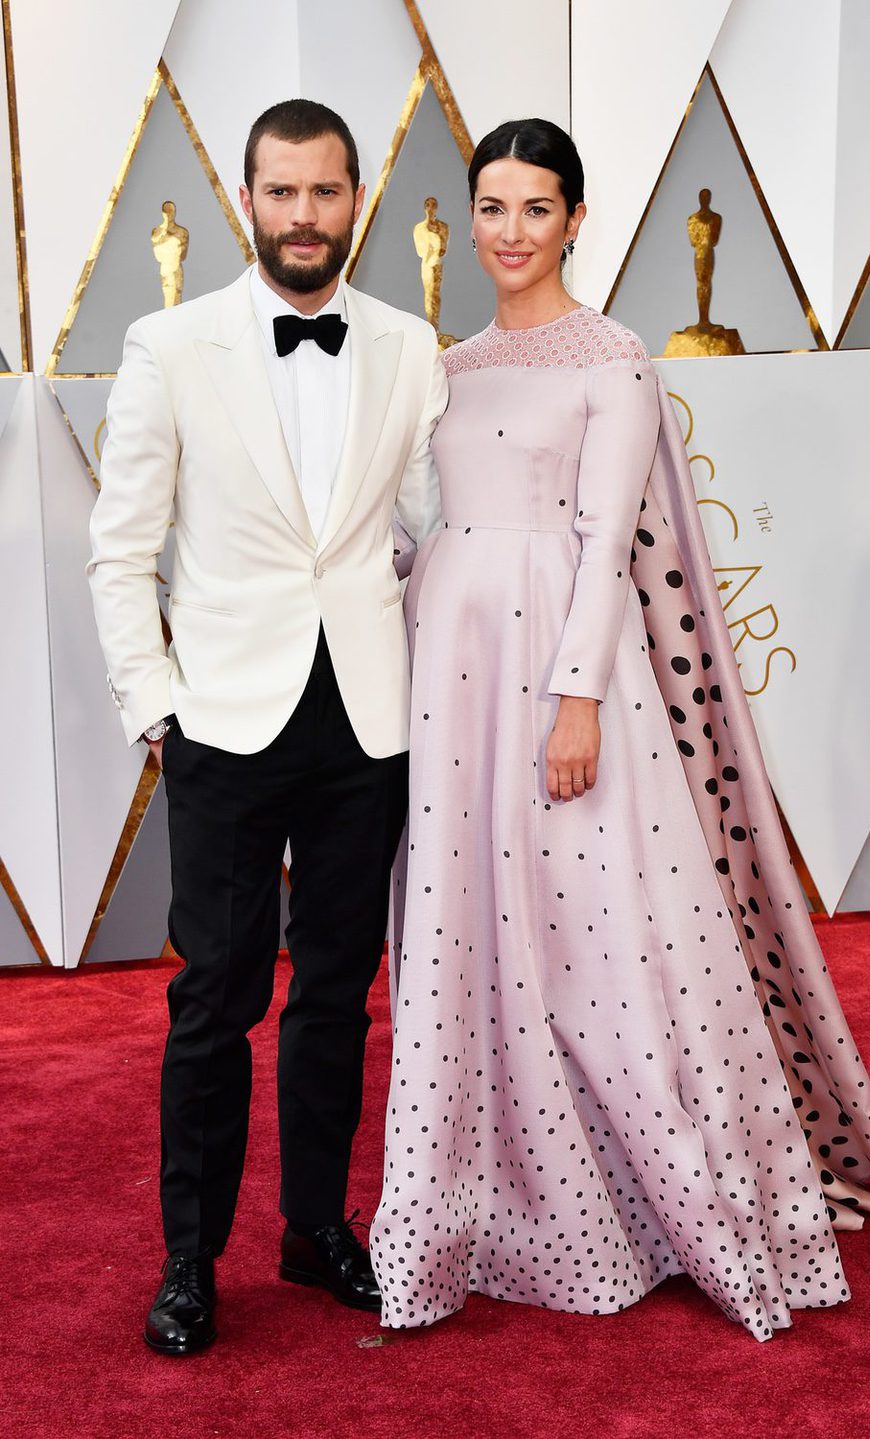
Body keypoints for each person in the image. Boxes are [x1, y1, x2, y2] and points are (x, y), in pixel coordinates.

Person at [369, 118, 870, 1341]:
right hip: (452, 668)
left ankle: (669, 1195)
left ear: (576, 219)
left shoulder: (616, 358)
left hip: (560, 669)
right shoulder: (448, 363)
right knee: (473, 928)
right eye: (491, 206)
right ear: (465, 215)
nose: (511, 231)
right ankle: (494, 1201)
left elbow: (602, 542)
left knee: (600, 939)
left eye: (537, 208)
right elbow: (422, 522)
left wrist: (577, 690)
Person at [88, 99, 446, 1354]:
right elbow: (119, 551)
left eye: (325, 192)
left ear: (360, 199)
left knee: (339, 994)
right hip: (224, 724)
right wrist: (158, 708)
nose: (304, 215)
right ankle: (192, 1259)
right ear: (249, 198)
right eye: (281, 192)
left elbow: (423, 521)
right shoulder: (171, 344)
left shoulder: (409, 344)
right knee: (215, 996)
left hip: (365, 717)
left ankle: (313, 1228)